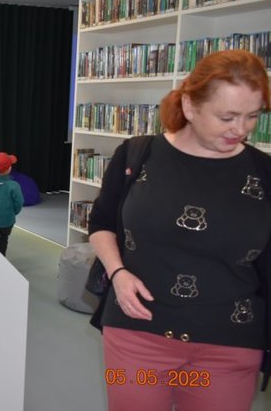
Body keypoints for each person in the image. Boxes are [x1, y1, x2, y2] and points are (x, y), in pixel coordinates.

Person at [88, 49, 271, 411]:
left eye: (253, 116)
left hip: (230, 342)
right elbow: (101, 223)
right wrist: (118, 272)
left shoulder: (264, 173)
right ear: (189, 106)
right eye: (227, 117)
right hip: (137, 333)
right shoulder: (136, 155)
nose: (241, 129)